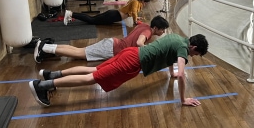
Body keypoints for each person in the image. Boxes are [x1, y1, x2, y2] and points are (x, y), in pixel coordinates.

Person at [29, 33, 209, 107]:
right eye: (195, 53)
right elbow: (183, 75)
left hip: (131, 52)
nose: (192, 56)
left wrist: (172, 73)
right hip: (132, 61)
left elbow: (167, 55)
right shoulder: (183, 50)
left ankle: (50, 74)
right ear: (193, 47)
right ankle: (42, 86)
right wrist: (184, 99)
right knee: (92, 78)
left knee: (92, 70)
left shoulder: (177, 38)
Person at [34, 16, 169, 63]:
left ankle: (47, 47)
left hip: (111, 44)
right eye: (162, 29)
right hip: (111, 48)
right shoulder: (147, 31)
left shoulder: (145, 25)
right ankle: (45, 48)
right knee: (78, 54)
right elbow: (140, 42)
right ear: (156, 28)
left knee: (79, 51)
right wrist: (149, 50)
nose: (163, 32)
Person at [63, 0, 150, 27]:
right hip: (114, 15)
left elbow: (131, 12)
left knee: (92, 19)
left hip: (114, 15)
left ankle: (71, 14)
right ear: (142, 0)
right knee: (91, 20)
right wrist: (135, 21)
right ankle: (70, 14)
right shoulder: (136, 2)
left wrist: (136, 18)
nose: (145, 4)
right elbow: (134, 12)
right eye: (145, 2)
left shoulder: (137, 2)